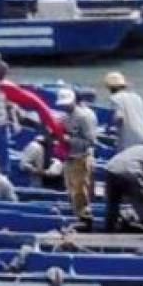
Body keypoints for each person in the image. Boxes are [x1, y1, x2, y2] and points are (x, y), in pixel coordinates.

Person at [56, 87, 98, 223]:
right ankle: (77, 216)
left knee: (81, 192)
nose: (64, 107)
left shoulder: (84, 117)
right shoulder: (64, 117)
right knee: (71, 190)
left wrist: (69, 140)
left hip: (81, 158)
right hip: (69, 158)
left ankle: (84, 220)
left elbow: (90, 141)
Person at [104, 71, 143, 151]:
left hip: (129, 141)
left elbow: (119, 118)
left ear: (110, 88)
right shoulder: (136, 97)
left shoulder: (115, 98)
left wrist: (109, 129)